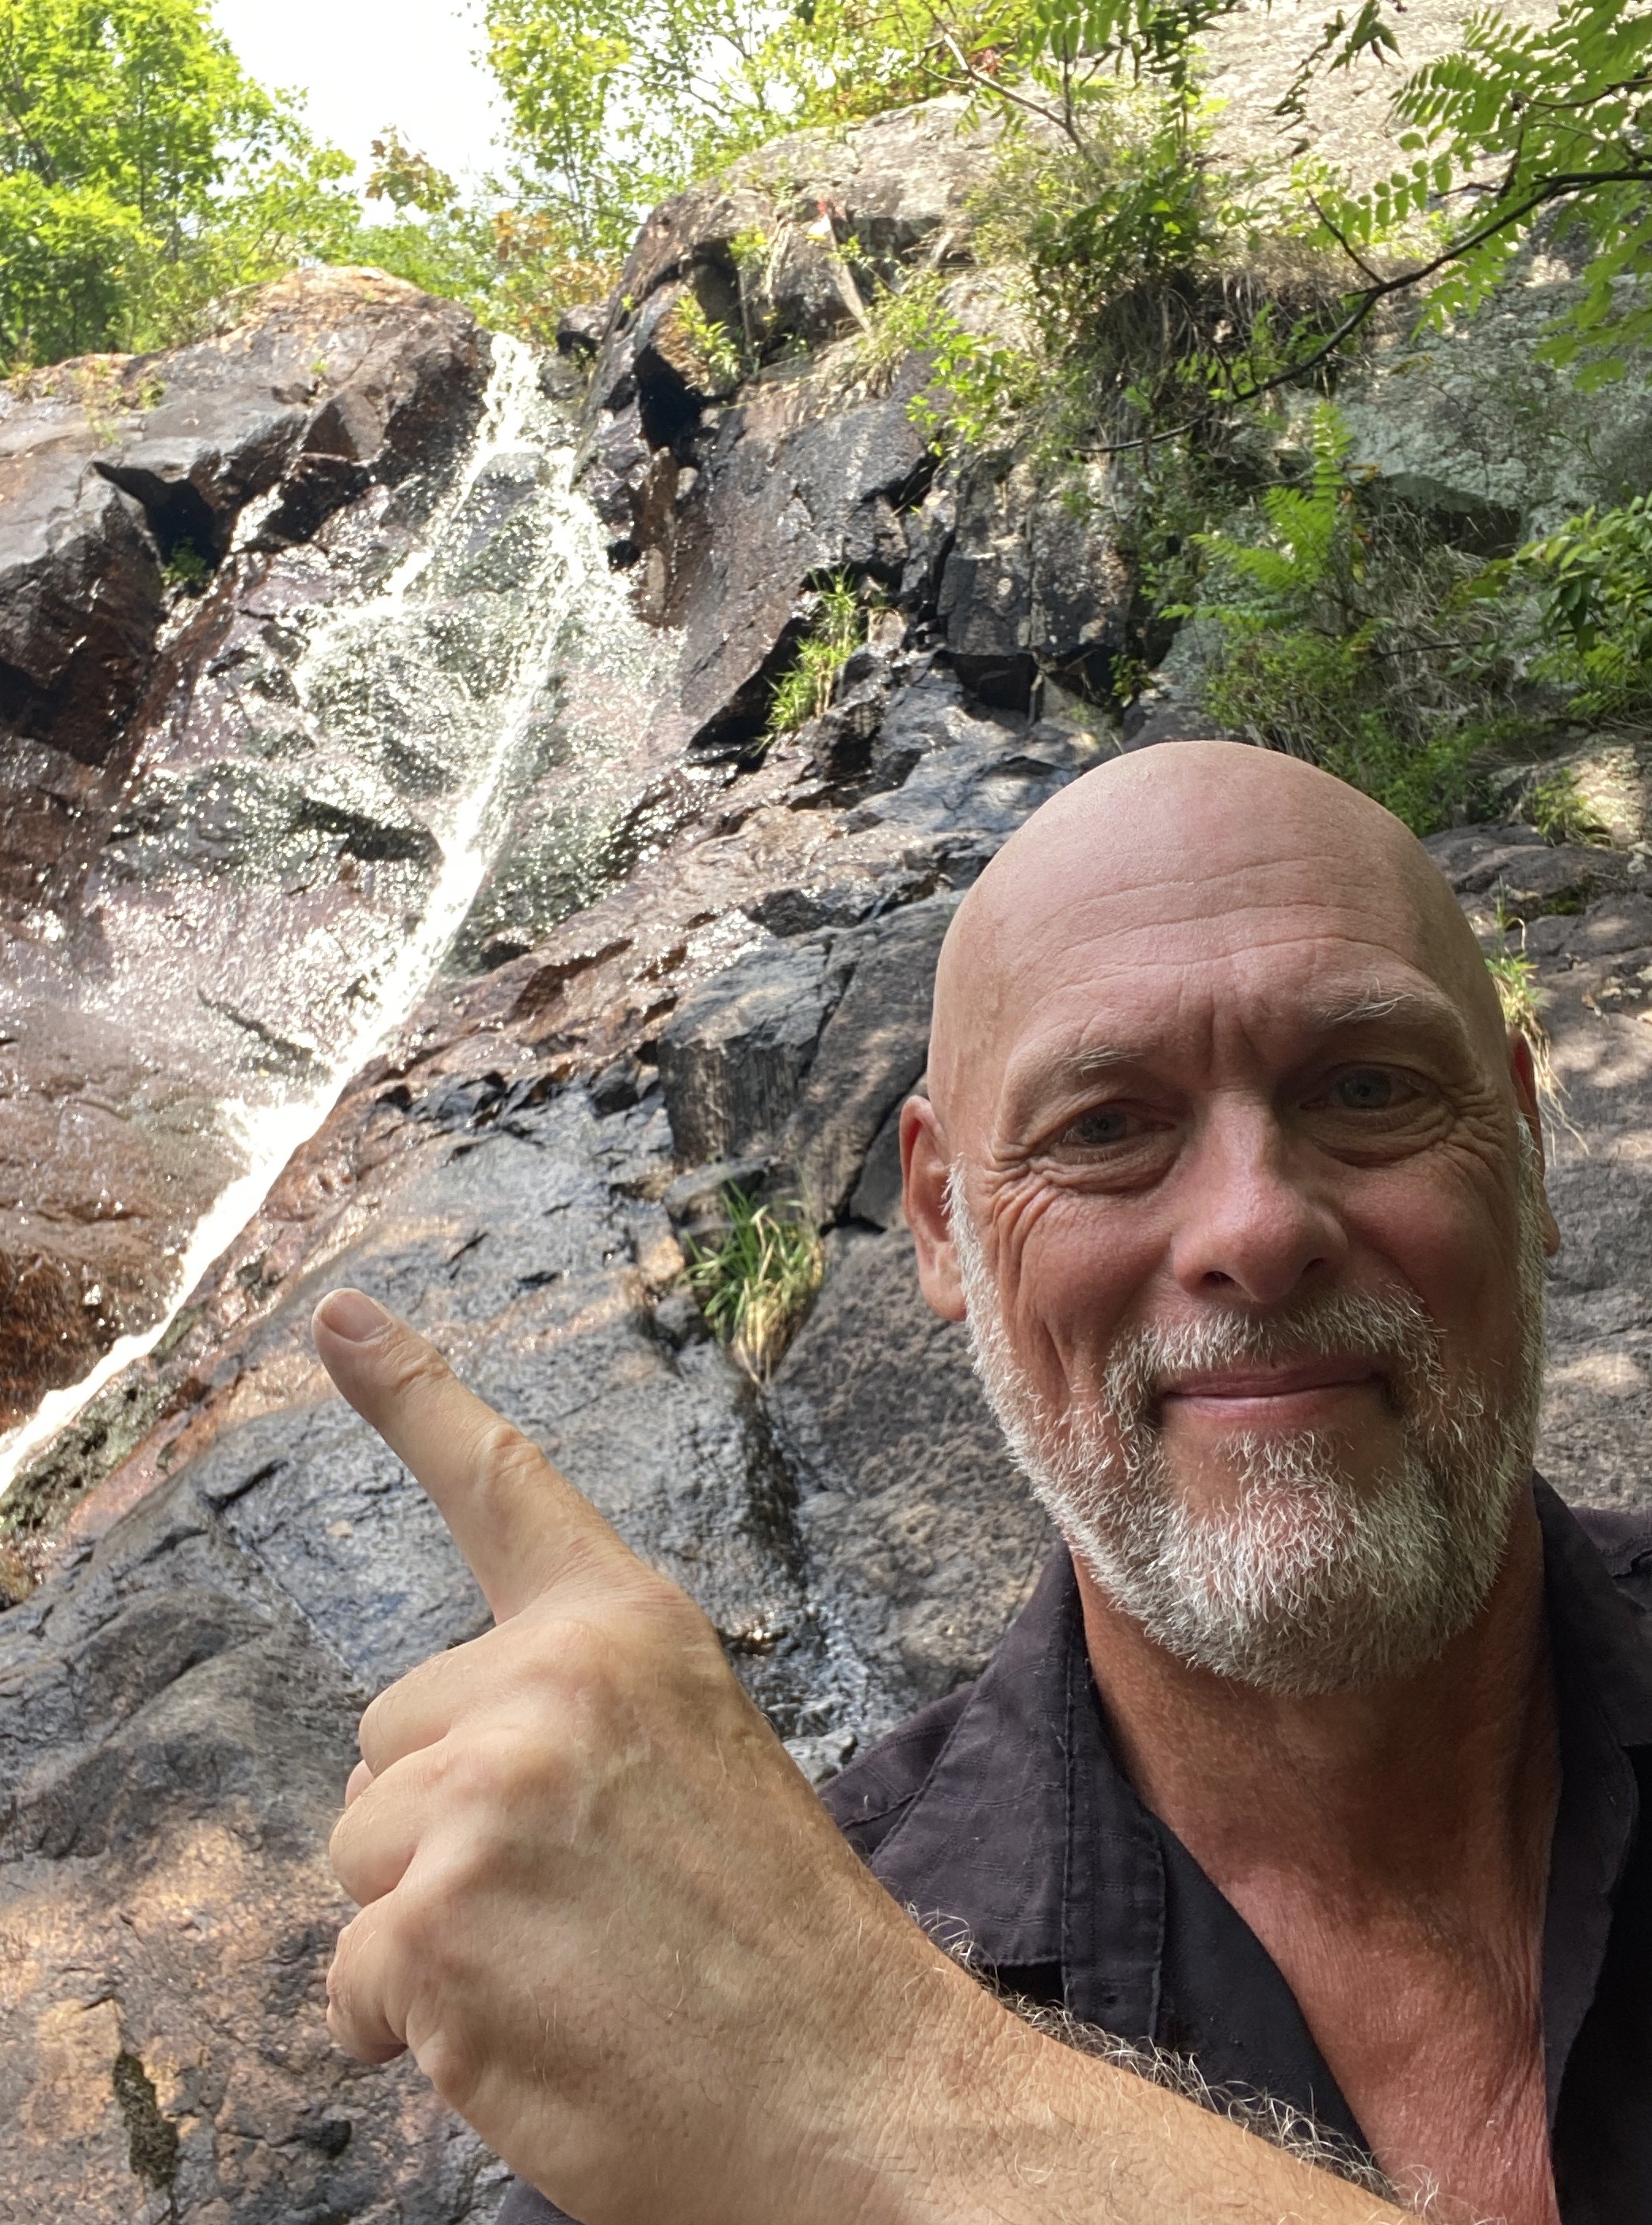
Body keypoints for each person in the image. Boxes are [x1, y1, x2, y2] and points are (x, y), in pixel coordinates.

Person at [310, 742, 1652, 2225]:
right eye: (1106, 1128)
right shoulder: (694, 2061)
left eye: (1366, 1086)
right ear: (943, 1219)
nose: (1259, 1228)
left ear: (1524, 1144)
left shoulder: (779, 2061)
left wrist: (896, 2094)